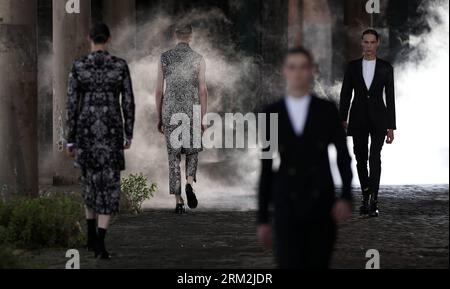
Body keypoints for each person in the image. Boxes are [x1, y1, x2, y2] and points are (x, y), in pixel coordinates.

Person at [257, 47, 353, 269]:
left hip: (321, 202)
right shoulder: (271, 113)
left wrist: (346, 195)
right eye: (292, 67)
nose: (298, 73)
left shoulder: (327, 110)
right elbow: (266, 165)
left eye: (303, 67)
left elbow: (342, 156)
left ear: (311, 71)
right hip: (286, 203)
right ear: (284, 71)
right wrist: (262, 218)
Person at [66, 23, 135, 259]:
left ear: (89, 38)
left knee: (89, 184)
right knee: (109, 187)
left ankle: (89, 236)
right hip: (111, 132)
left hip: (86, 132)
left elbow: (71, 105)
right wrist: (129, 132)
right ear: (109, 38)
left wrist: (70, 139)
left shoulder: (79, 66)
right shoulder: (119, 66)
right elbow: (128, 102)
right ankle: (101, 242)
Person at [339, 29, 396, 217]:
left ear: (378, 43)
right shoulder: (352, 67)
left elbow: (390, 97)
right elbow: (346, 94)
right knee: (360, 158)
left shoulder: (386, 67)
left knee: (374, 157)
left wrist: (391, 126)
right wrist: (342, 118)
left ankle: (373, 199)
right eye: (366, 42)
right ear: (362, 43)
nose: (369, 46)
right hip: (358, 117)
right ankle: (366, 196)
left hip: (380, 118)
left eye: (372, 42)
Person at [155, 23, 208, 214]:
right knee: (192, 152)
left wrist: (159, 115)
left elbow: (159, 90)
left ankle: (178, 202)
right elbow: (202, 90)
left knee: (174, 156)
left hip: (170, 110)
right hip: (191, 109)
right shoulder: (198, 59)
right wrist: (203, 117)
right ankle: (189, 183)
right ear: (191, 37)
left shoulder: (165, 58)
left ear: (175, 36)